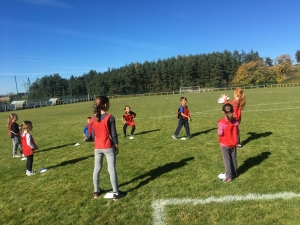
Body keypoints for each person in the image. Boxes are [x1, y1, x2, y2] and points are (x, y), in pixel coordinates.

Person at [91, 96, 127, 201]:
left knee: (96, 169)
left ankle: (96, 191)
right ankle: (116, 193)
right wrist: (116, 144)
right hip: (107, 146)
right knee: (111, 169)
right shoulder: (110, 117)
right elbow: (114, 134)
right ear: (105, 105)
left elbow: (93, 135)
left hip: (97, 147)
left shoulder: (93, 118)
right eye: (109, 103)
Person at [218, 103, 239, 182]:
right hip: (233, 143)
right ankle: (234, 173)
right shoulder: (235, 121)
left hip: (225, 144)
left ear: (223, 112)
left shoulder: (222, 122)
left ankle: (229, 176)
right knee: (233, 159)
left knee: (227, 160)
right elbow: (237, 129)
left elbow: (220, 133)